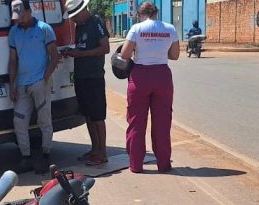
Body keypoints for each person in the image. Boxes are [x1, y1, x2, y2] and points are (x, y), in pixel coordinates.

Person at [120, 2, 180, 173]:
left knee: (136, 122)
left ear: (140, 14)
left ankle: (136, 165)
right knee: (162, 123)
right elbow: (174, 55)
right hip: (162, 75)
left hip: (140, 76)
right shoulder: (169, 28)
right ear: (156, 13)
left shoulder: (137, 28)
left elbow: (124, 54)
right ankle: (163, 164)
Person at [8, 0, 59, 174]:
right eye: (17, 18)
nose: (19, 20)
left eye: (22, 16)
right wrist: (12, 84)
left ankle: (45, 155)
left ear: (30, 11)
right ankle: (26, 157)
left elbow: (54, 56)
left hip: (40, 83)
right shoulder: (14, 32)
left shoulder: (44, 29)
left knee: (44, 120)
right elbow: (13, 61)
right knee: (19, 122)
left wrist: (45, 78)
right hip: (22, 84)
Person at [62, 0, 110, 166]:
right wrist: (71, 53)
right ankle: (95, 149)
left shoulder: (96, 22)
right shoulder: (79, 27)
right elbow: (81, 48)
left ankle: (102, 153)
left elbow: (105, 48)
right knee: (88, 115)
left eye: (74, 16)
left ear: (82, 11)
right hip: (81, 76)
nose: (73, 20)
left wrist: (81, 54)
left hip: (94, 77)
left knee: (98, 116)